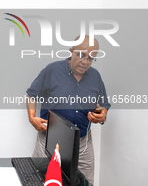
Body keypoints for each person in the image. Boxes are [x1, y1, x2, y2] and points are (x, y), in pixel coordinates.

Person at [26, 35, 110, 185]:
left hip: (82, 144)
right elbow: (32, 94)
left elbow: (103, 104)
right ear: (71, 51)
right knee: (39, 180)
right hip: (49, 140)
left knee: (85, 183)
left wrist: (102, 115)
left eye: (91, 58)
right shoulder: (52, 70)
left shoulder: (95, 76)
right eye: (81, 55)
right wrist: (32, 118)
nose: (85, 61)